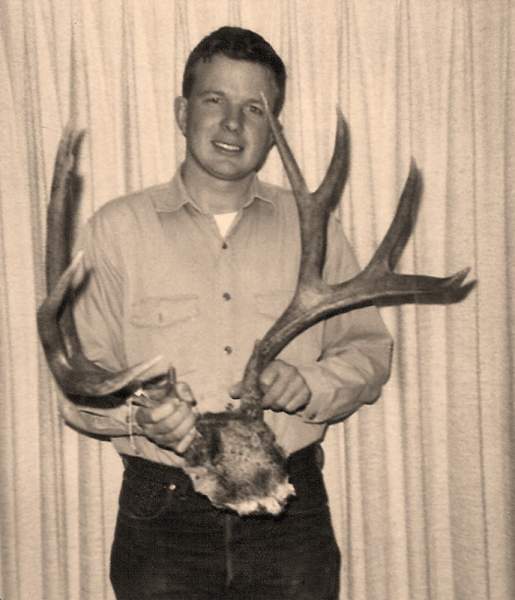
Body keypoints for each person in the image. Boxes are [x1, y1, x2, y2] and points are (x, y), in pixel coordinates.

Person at [63, 26, 392, 600]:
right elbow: (78, 383)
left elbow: (368, 351)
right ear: (182, 111)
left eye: (255, 108)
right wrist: (142, 417)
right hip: (163, 510)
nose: (233, 124)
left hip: (287, 507)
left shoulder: (313, 230)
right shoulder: (116, 231)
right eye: (215, 100)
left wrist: (310, 383)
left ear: (274, 130)